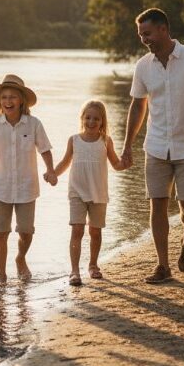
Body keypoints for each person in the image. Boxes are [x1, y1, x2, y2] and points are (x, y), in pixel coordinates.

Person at [120, 8, 184, 284]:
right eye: (140, 35)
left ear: (163, 29)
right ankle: (162, 265)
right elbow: (138, 106)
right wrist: (128, 145)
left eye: (147, 33)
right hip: (156, 144)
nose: (144, 39)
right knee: (157, 204)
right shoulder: (143, 66)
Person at [0, 74, 56, 283]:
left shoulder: (34, 124)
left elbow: (45, 149)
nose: (8, 101)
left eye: (13, 97)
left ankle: (20, 258)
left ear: (22, 100)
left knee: (26, 232)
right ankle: (1, 276)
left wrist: (50, 170)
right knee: (1, 233)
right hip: (1, 187)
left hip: (27, 187)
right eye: (4, 97)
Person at [54, 100, 125, 286]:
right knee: (77, 230)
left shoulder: (106, 141)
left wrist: (126, 161)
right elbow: (64, 162)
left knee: (95, 231)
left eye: (96, 119)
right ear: (82, 119)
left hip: (99, 193)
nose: (91, 122)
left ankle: (93, 265)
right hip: (77, 191)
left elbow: (116, 164)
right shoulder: (74, 140)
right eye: (88, 118)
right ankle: (74, 271)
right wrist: (53, 173)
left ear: (102, 121)